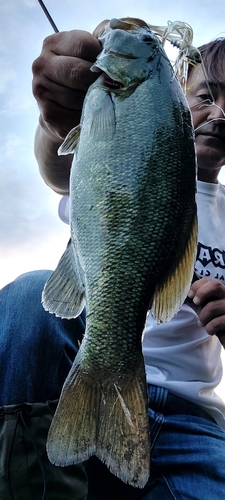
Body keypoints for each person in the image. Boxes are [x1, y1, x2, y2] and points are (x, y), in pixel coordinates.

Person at [1, 21, 225, 500]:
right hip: (69, 371)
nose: (221, 114)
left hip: (192, 418)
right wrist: (54, 118)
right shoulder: (121, 130)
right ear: (179, 89)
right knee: (25, 299)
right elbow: (56, 164)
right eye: (208, 95)